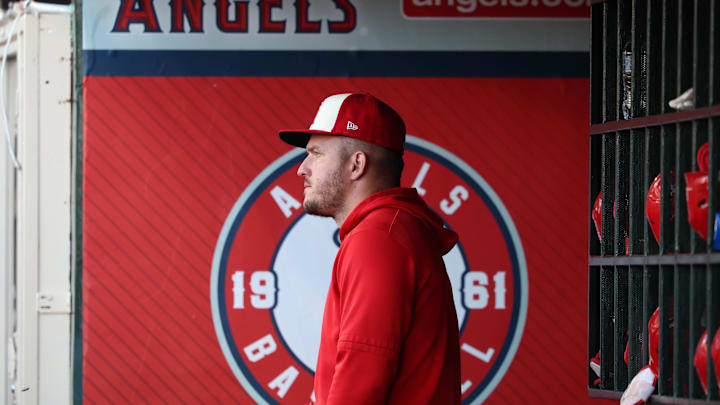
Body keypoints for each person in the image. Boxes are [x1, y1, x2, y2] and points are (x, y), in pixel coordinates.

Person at [278, 93, 461, 405]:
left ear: (356, 164)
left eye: (316, 153)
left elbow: (360, 384)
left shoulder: (379, 239)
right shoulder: (391, 231)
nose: (302, 169)